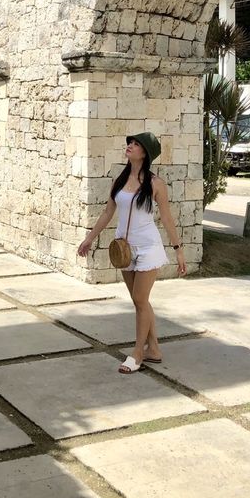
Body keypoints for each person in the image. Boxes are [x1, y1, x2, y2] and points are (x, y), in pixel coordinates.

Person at [78, 132, 186, 374]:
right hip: (125, 249)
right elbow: (107, 213)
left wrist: (178, 250)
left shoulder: (155, 184)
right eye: (130, 142)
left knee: (139, 300)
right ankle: (154, 349)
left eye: (136, 144)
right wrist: (89, 239)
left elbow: (167, 218)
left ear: (145, 153)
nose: (130, 146)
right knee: (141, 302)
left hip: (148, 247)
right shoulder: (121, 179)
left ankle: (137, 353)